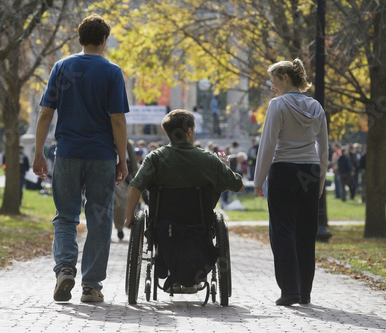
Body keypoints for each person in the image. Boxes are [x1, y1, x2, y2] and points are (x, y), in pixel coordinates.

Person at [32, 14, 129, 304]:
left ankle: (64, 268)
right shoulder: (112, 71)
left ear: (80, 38)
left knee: (65, 216)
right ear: (103, 40)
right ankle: (91, 286)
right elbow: (118, 120)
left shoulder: (62, 67)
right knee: (100, 217)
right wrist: (122, 160)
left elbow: (46, 112)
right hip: (101, 155)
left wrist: (38, 152)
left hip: (68, 153)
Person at [124, 109, 244, 289]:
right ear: (189, 131)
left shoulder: (155, 158)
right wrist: (225, 168)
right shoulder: (208, 160)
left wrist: (129, 217)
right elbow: (239, 186)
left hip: (163, 226)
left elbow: (134, 187)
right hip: (199, 225)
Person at [253, 59, 328, 306]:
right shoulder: (316, 106)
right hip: (310, 170)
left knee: (282, 230)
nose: (272, 87)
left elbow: (268, 144)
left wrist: (258, 179)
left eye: (274, 81)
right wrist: (320, 181)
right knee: (306, 232)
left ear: (285, 77)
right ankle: (305, 291)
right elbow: (323, 147)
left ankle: (289, 290)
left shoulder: (278, 105)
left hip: (283, 169)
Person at [113, 140, 139, 240]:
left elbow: (132, 160)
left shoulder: (126, 143)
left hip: (121, 175)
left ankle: (119, 228)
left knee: (120, 204)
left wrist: (135, 175)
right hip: (105, 168)